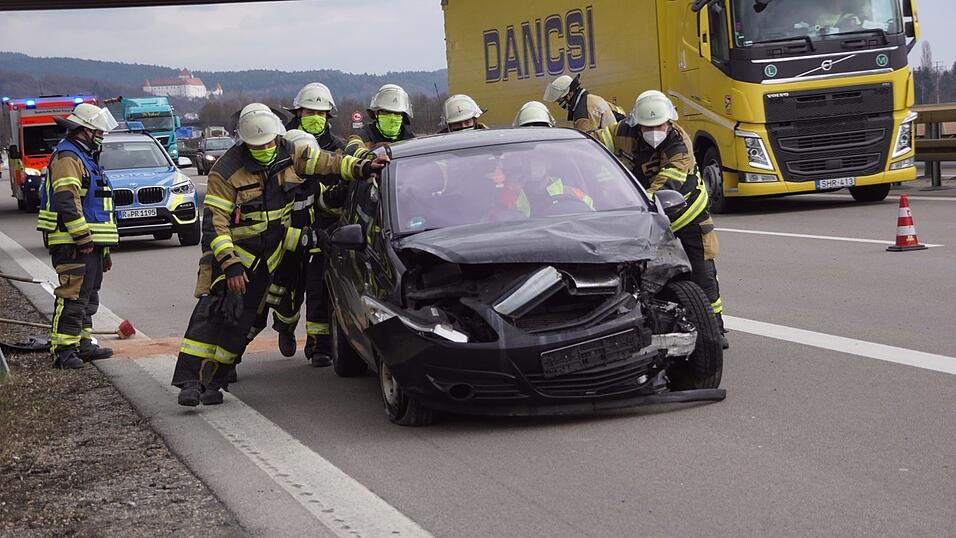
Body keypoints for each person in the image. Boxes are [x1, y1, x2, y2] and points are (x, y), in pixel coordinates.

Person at [172, 103, 388, 407]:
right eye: (257, 145)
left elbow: (328, 163)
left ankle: (215, 382)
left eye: (269, 143)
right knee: (211, 316)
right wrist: (231, 267)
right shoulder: (226, 171)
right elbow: (215, 225)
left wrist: (361, 168)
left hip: (267, 259)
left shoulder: (290, 153)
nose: (265, 149)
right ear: (244, 143)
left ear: (277, 137)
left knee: (240, 324)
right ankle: (189, 382)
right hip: (232, 258)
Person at [595, 90, 728, 348]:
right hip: (646, 216)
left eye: (660, 125)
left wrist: (630, 205)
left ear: (670, 121)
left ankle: (715, 330)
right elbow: (595, 143)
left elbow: (662, 188)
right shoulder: (622, 132)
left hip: (687, 213)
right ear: (638, 124)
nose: (655, 130)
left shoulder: (680, 146)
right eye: (648, 126)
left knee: (702, 272)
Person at [269, 83, 348, 365]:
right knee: (286, 290)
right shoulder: (280, 143)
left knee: (319, 290)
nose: (315, 116)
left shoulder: (337, 149)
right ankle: (285, 325)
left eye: (320, 112)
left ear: (328, 116)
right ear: (298, 112)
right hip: (288, 230)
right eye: (309, 111)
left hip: (324, 231)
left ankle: (319, 347)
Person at [37, 103, 119, 369]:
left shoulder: (85, 157)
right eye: (98, 131)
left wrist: (102, 249)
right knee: (72, 296)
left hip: (90, 244)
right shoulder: (68, 158)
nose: (101, 135)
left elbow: (97, 209)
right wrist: (83, 238)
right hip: (72, 242)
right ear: (83, 130)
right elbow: (67, 201)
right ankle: (62, 351)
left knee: (88, 296)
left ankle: (82, 344)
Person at [344, 84, 416, 159]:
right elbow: (351, 149)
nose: (392, 117)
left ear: (403, 116)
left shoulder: (411, 140)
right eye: (386, 112)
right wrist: (372, 153)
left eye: (397, 113)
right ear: (376, 113)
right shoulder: (362, 135)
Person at [543, 74, 622, 133]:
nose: (560, 105)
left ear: (569, 94)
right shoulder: (591, 99)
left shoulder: (582, 114)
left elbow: (586, 145)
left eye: (560, 101)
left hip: (606, 152)